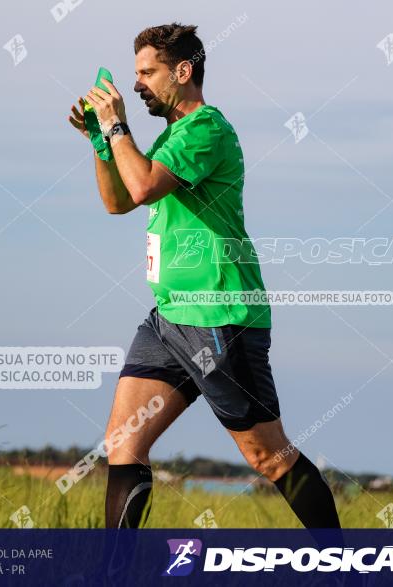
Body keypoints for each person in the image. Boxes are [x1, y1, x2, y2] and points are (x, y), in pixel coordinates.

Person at [67, 22, 340, 531]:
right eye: (135, 74)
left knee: (269, 457)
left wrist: (118, 126)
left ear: (183, 71)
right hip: (168, 318)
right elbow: (117, 201)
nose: (136, 84)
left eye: (147, 72)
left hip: (218, 316)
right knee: (125, 443)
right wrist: (102, 143)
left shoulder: (207, 130)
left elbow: (144, 186)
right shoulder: (171, 135)